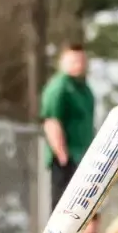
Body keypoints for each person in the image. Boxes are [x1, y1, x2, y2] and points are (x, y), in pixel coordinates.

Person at [39, 44, 96, 205]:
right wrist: (63, 156)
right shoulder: (59, 87)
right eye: (74, 60)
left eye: (82, 60)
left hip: (83, 158)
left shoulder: (85, 89)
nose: (79, 64)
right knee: (63, 205)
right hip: (65, 160)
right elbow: (51, 122)